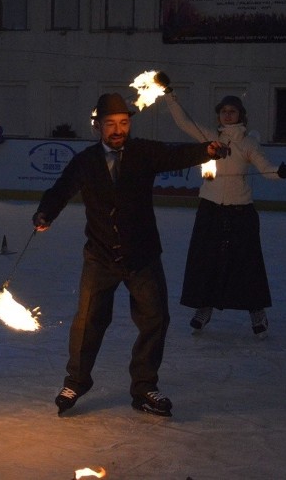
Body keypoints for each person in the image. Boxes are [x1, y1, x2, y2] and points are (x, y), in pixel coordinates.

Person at [33, 92, 223, 417]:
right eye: (111, 124)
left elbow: (173, 155)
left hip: (142, 255)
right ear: (98, 127)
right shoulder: (86, 162)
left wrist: (205, 150)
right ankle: (76, 382)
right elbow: (62, 189)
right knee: (87, 322)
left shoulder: (143, 152)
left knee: (155, 319)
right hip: (100, 256)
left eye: (123, 123)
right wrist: (45, 214)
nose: (118, 130)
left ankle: (145, 387)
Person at [165, 92, 286, 337]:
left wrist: (279, 172)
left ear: (241, 115)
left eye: (232, 110)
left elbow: (266, 169)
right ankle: (204, 308)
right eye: (224, 111)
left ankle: (257, 311)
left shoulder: (248, 143)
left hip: (240, 209)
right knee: (205, 261)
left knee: (247, 262)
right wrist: (170, 97)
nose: (227, 114)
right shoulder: (211, 137)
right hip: (210, 208)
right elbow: (184, 123)